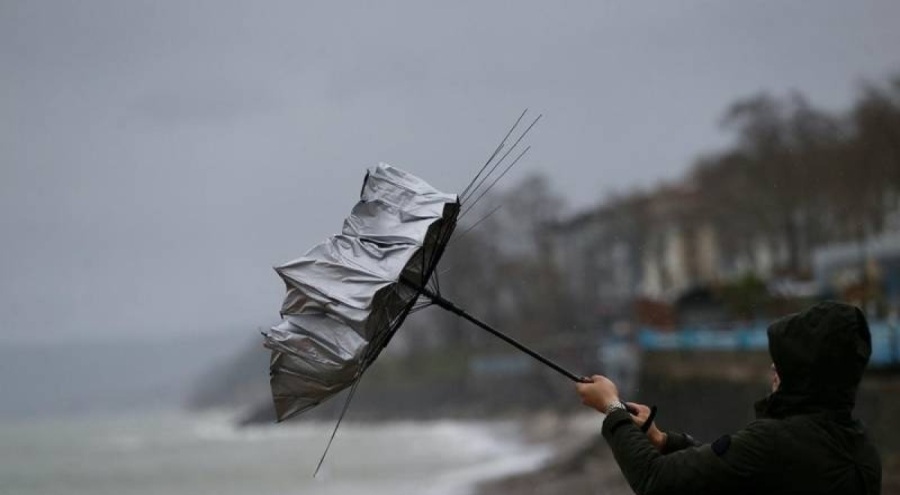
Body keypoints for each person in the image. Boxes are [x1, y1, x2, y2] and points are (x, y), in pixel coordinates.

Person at [575, 301, 881, 494]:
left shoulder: (774, 442)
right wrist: (663, 441)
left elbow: (655, 481)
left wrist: (612, 407)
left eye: (785, 360)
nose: (773, 367)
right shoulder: (860, 447)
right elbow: (734, 469)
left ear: (806, 372)